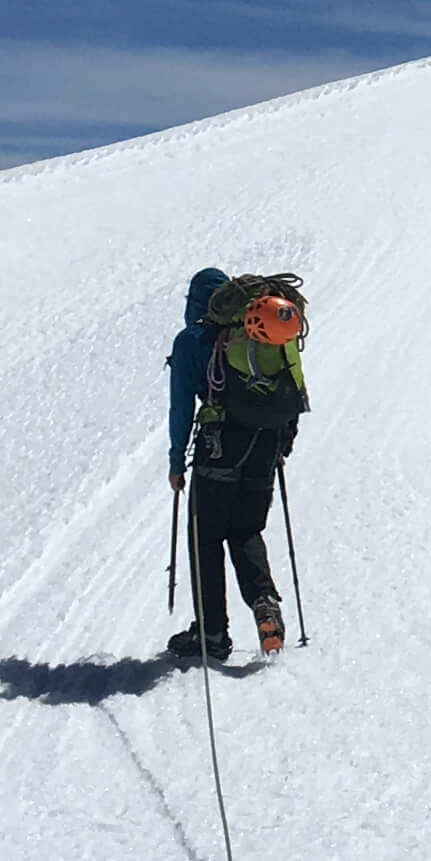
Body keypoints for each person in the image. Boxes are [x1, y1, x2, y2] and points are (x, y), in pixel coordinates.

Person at [166, 264, 308, 662]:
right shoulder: (263, 334)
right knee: (245, 529)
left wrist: (177, 462)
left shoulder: (191, 340)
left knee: (205, 537)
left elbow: (181, 409)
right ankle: (264, 602)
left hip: (218, 448)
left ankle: (211, 635)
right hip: (265, 445)